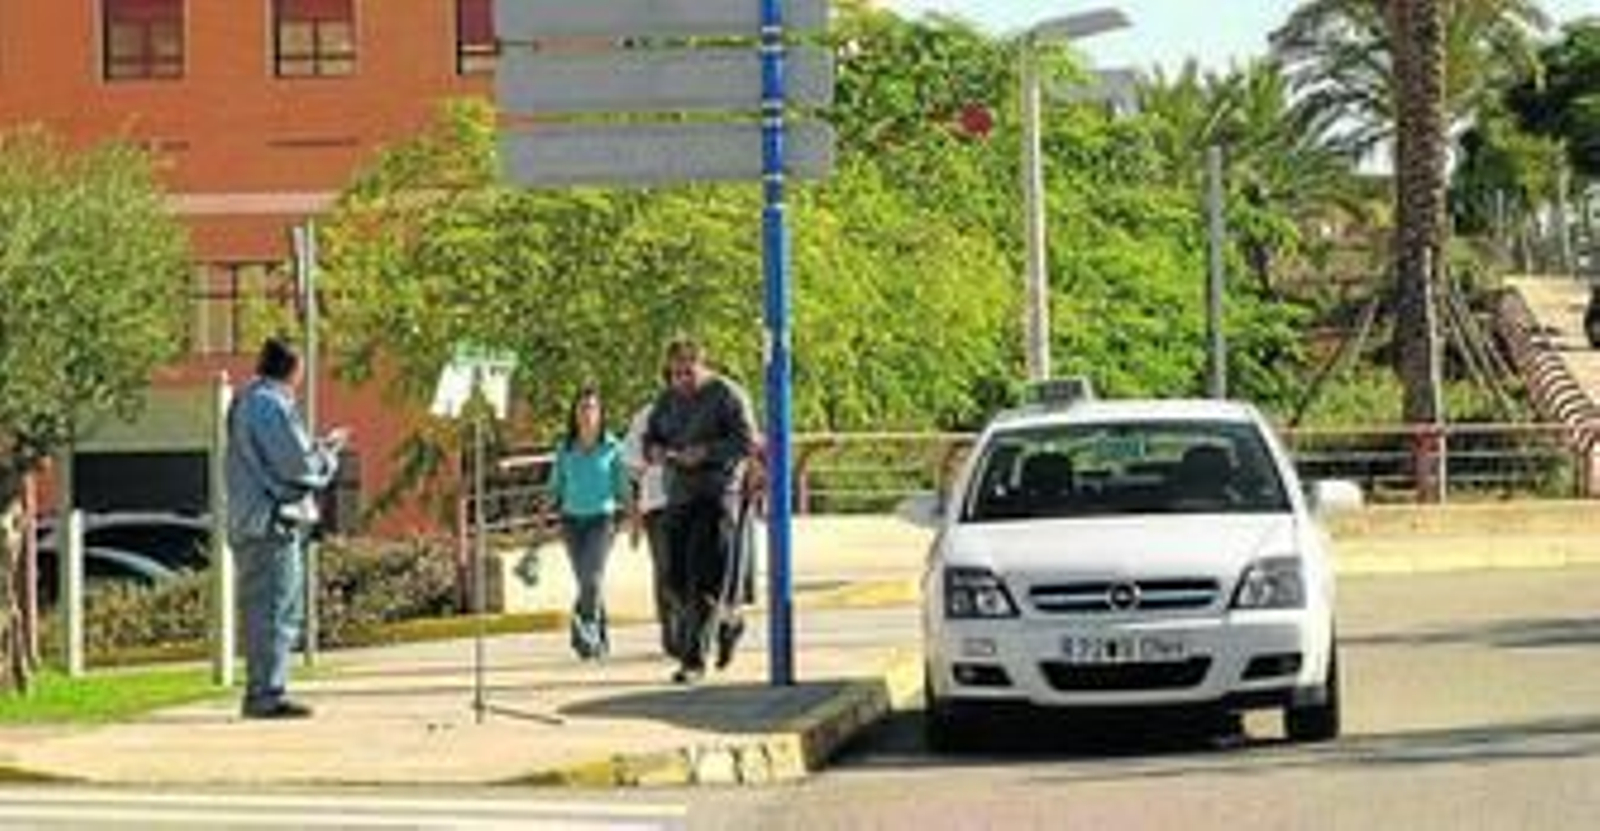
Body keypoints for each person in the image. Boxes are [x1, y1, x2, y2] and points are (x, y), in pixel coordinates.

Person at [226, 337, 345, 720]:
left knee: (271, 610)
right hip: (271, 523)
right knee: (274, 611)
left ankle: (266, 689)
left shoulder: (251, 399)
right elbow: (297, 466)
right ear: (295, 369)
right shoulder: (269, 403)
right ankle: (265, 695)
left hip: (259, 521)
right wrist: (328, 455)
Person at [645, 338, 757, 684]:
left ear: (702, 365)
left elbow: (747, 441)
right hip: (678, 496)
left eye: (687, 373)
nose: (681, 380)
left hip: (716, 496)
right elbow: (651, 437)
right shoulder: (666, 399)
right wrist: (656, 451)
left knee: (702, 581)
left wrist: (705, 452)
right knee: (672, 579)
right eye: (675, 373)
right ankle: (730, 621)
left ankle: (693, 661)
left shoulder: (727, 394)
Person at [549, 386, 629, 661]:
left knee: (591, 578)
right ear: (574, 413)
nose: (587, 413)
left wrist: (635, 519)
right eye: (582, 408)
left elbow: (623, 488)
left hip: (602, 520)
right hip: (571, 522)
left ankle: (585, 629)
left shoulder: (612, 447)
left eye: (592, 408)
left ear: (601, 413)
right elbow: (555, 488)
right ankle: (599, 640)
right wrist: (541, 519)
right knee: (587, 582)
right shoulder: (565, 448)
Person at [623, 371, 678, 660]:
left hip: (698, 501)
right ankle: (672, 632)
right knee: (666, 568)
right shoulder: (647, 416)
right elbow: (631, 465)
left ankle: (695, 628)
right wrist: (633, 514)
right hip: (658, 504)